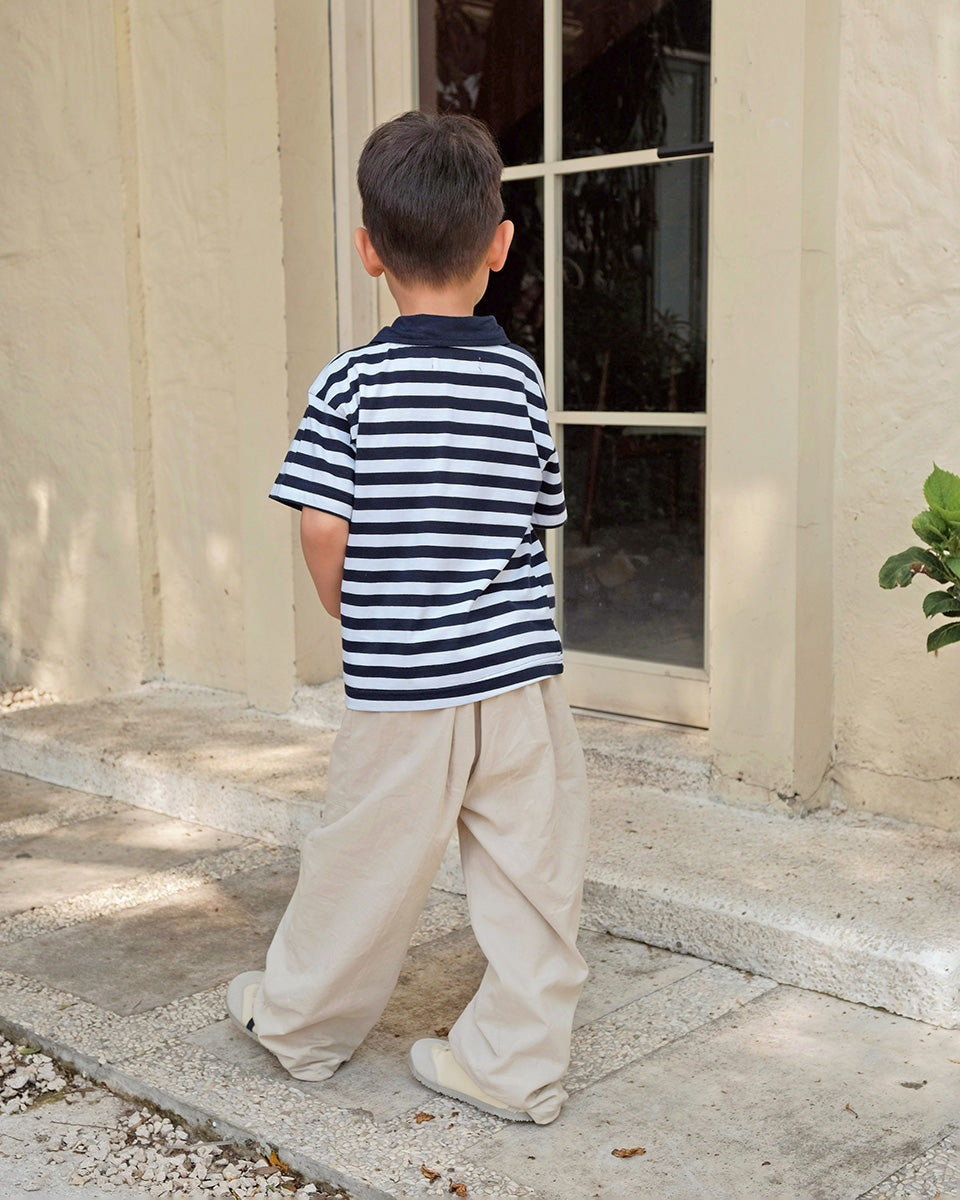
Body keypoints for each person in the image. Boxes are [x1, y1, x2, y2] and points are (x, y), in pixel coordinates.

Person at [226, 110, 589, 1126]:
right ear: (501, 244)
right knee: (533, 872)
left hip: (403, 688)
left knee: (364, 862)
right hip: (516, 682)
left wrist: (356, 611)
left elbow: (317, 525)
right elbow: (538, 516)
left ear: (368, 250)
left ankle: (299, 1027)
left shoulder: (350, 384)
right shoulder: (519, 378)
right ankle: (515, 1066)